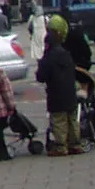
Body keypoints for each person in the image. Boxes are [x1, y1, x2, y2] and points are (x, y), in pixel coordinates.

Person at [35, 26, 81, 156]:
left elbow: (41, 77)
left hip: (56, 93)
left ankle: (61, 147)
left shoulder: (48, 58)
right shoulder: (66, 54)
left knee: (59, 120)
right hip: (70, 91)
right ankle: (75, 144)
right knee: (72, 120)